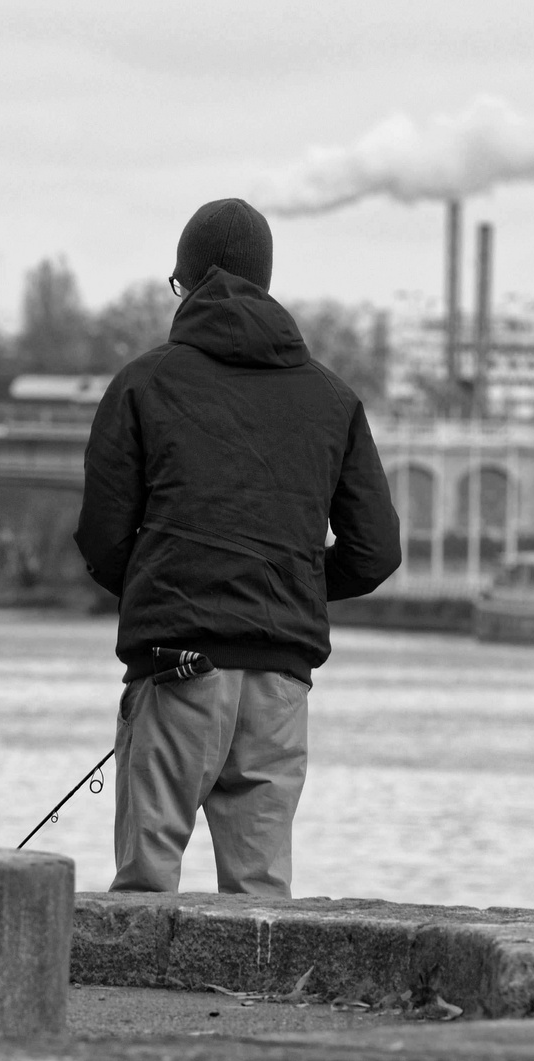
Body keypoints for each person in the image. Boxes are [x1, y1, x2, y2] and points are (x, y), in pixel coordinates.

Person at [75, 197, 401, 897]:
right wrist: (288, 585)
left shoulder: (143, 383)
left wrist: (168, 585)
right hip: (281, 679)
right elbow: (376, 552)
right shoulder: (332, 398)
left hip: (176, 665)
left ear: (186, 283)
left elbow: (101, 539)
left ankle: (135, 1012)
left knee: (146, 887)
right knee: (261, 903)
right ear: (267, 280)